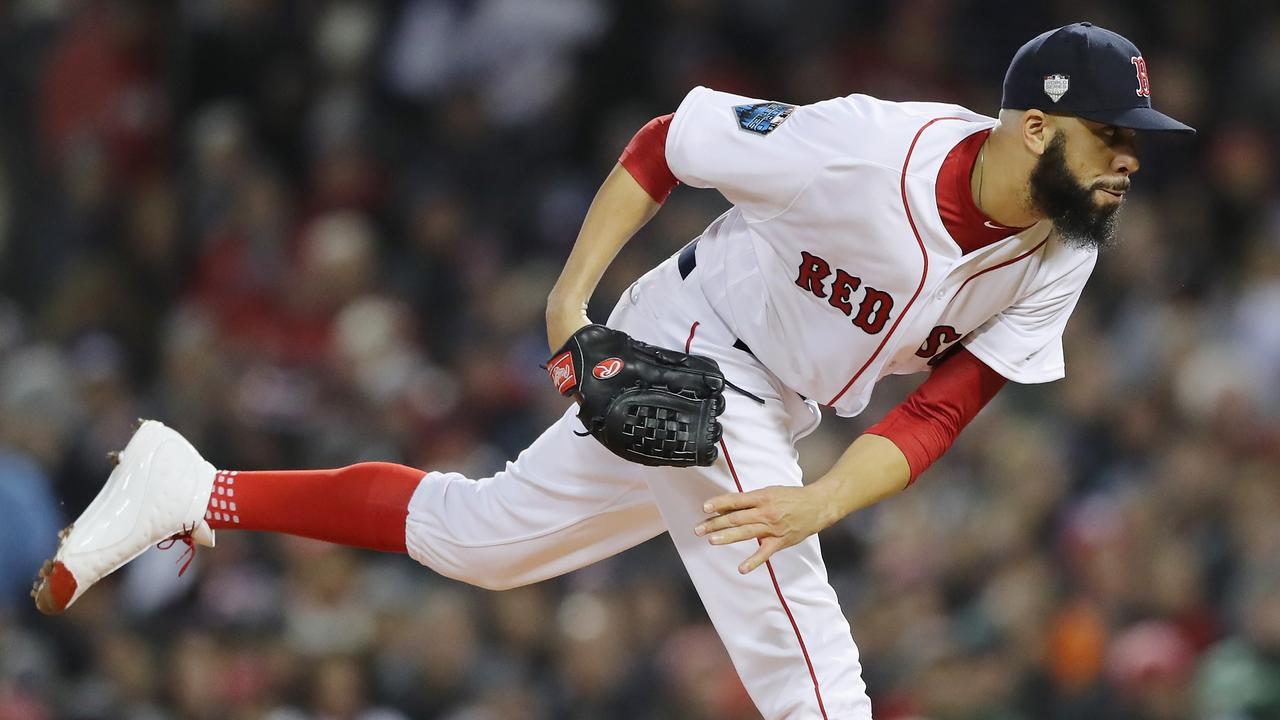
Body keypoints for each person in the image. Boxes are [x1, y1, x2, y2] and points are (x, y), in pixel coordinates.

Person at [34, 22, 1193, 719]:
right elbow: (665, 141)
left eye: (1134, 142)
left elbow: (949, 402)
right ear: (1035, 129)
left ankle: (196, 488)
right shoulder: (859, 148)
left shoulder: (1065, 239)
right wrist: (569, 295)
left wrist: (826, 494)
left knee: (478, 544)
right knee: (791, 621)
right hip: (694, 341)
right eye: (1112, 137)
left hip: (779, 396)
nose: (1127, 163)